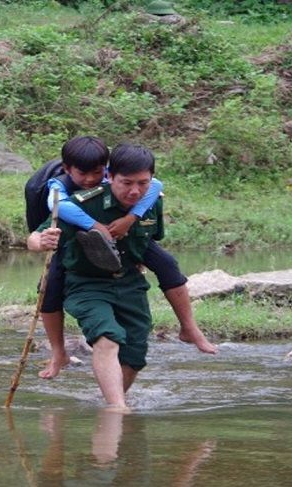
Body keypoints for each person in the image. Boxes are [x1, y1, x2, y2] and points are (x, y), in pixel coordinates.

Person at [32, 138, 216, 381]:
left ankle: (189, 328)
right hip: (73, 239)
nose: (90, 179)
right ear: (67, 169)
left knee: (168, 265)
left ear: (107, 171)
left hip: (124, 238)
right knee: (50, 287)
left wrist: (130, 219)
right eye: (82, 174)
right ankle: (58, 352)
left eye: (97, 173)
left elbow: (154, 185)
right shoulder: (60, 187)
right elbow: (56, 212)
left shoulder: (129, 184)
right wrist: (95, 226)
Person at [28, 143, 162, 411]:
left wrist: (131, 219)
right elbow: (35, 235)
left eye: (142, 183)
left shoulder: (149, 195)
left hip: (128, 280)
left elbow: (155, 194)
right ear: (112, 178)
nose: (135, 190)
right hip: (84, 277)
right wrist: (41, 240)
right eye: (127, 183)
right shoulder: (65, 195)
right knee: (104, 334)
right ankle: (115, 408)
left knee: (134, 355)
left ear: (105, 171)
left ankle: (111, 401)